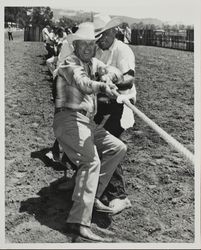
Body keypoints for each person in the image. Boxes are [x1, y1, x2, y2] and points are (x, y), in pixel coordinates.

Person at [53, 22, 127, 241]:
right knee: (91, 161)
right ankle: (78, 222)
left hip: (87, 123)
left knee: (118, 148)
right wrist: (102, 86)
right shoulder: (69, 63)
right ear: (75, 45)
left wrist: (109, 77)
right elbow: (83, 83)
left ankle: (90, 194)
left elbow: (117, 73)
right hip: (68, 119)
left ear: (95, 46)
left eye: (91, 43)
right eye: (83, 44)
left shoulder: (93, 62)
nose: (87, 47)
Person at [93, 14, 137, 212]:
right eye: (97, 36)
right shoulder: (98, 51)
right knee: (91, 140)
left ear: (112, 32)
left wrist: (114, 77)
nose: (100, 39)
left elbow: (129, 80)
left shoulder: (122, 50)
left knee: (112, 145)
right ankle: (91, 183)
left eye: (103, 35)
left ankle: (120, 196)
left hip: (121, 104)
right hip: (102, 103)